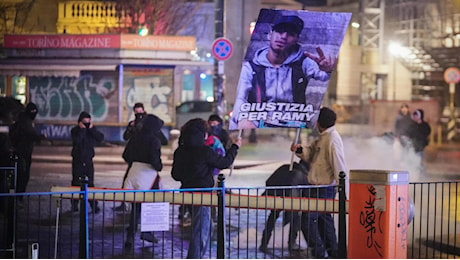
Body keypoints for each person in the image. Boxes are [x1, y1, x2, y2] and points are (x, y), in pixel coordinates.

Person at [230, 14, 337, 129]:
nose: (284, 36)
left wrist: (327, 70)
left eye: (290, 34)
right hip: (259, 122)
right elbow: (241, 97)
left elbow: (322, 76)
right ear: (270, 34)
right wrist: (242, 118)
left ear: (297, 39)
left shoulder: (303, 62)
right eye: (280, 31)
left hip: (293, 122)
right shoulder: (251, 67)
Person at [171, 118, 241, 259]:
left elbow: (175, 175)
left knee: (205, 227)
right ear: (202, 134)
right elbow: (224, 162)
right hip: (203, 195)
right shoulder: (204, 151)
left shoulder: (180, 151)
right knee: (201, 230)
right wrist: (235, 148)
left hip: (186, 193)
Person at [290, 107, 347, 258]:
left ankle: (320, 253)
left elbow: (339, 164)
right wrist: (300, 150)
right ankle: (334, 254)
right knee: (324, 222)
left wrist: (342, 188)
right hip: (319, 187)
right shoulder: (324, 137)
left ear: (319, 122)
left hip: (325, 188)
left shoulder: (332, 139)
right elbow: (312, 154)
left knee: (307, 220)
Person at [122, 114, 165, 249]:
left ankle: (130, 234)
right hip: (149, 175)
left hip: (134, 171)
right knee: (150, 205)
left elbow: (125, 155)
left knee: (135, 206)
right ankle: (147, 232)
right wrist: (159, 166)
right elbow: (155, 160)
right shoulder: (154, 140)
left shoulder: (135, 137)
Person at [114, 102, 167, 212]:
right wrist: (158, 166)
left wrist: (133, 162)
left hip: (135, 168)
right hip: (149, 172)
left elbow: (126, 154)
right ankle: (148, 226)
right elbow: (154, 158)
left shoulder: (139, 136)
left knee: (136, 200)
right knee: (151, 200)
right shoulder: (152, 139)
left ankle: (132, 226)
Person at [259, 160, 310, 253]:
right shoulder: (303, 175)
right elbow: (306, 193)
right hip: (290, 198)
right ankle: (292, 243)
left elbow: (269, 181)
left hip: (275, 195)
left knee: (272, 217)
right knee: (295, 218)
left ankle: (264, 243)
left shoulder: (285, 167)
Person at [9, 102, 46, 195]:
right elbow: (30, 134)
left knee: (21, 175)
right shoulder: (25, 122)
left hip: (22, 151)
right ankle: (18, 196)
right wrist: (40, 137)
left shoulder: (23, 120)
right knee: (22, 175)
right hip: (22, 152)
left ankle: (17, 196)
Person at [70, 111, 104, 213]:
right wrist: (82, 130)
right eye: (84, 123)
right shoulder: (75, 130)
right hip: (77, 160)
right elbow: (76, 141)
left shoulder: (91, 130)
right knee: (76, 183)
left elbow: (100, 138)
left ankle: (94, 205)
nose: (86, 125)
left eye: (87, 122)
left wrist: (91, 129)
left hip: (88, 160)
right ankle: (75, 205)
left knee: (90, 183)